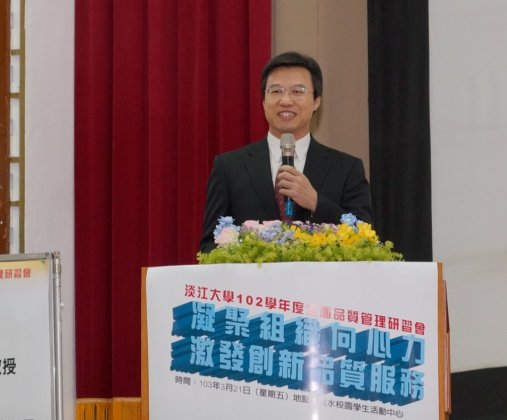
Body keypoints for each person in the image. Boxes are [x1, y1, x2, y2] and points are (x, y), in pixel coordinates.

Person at [200, 51, 373, 252]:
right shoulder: (229, 168)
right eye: (276, 91)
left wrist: (316, 202)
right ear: (263, 100)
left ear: (316, 101)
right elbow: (209, 246)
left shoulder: (346, 168)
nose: (285, 100)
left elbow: (366, 241)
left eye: (297, 91)